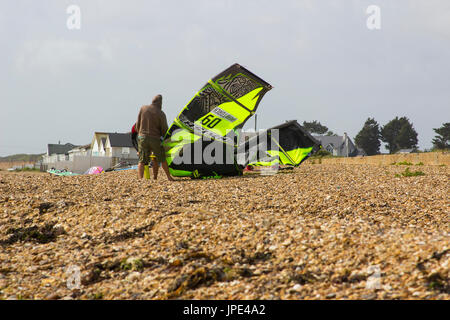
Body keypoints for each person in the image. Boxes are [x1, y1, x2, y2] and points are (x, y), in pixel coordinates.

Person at [135, 94, 174, 181]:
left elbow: (137, 124)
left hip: (142, 137)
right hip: (155, 139)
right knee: (161, 159)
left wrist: (140, 133)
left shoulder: (143, 108)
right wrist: (168, 139)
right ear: (160, 103)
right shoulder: (161, 114)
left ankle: (140, 179)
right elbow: (164, 130)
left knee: (142, 160)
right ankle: (168, 177)